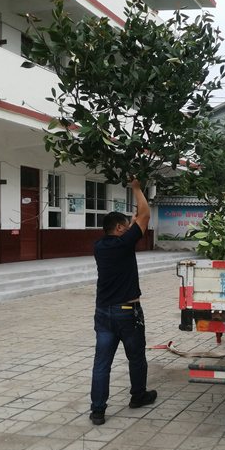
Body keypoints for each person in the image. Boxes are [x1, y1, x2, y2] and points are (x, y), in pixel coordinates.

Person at [89, 176, 157, 425]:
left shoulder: (100, 246)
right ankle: (138, 396)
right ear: (119, 228)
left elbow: (138, 219)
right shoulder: (123, 244)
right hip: (127, 312)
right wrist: (137, 188)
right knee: (136, 357)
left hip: (103, 313)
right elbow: (145, 216)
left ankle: (97, 410)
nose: (130, 229)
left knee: (101, 363)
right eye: (127, 226)